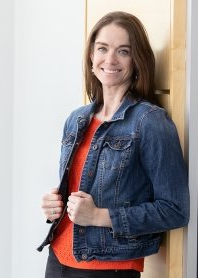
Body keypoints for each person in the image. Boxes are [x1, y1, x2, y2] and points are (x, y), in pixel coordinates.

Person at [37, 11, 190, 278]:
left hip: (108, 268)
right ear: (91, 56)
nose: (110, 59)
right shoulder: (76, 119)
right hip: (58, 259)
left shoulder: (150, 122)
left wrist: (98, 216)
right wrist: (55, 207)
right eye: (103, 48)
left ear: (136, 60)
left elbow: (174, 210)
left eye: (123, 51)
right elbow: (81, 189)